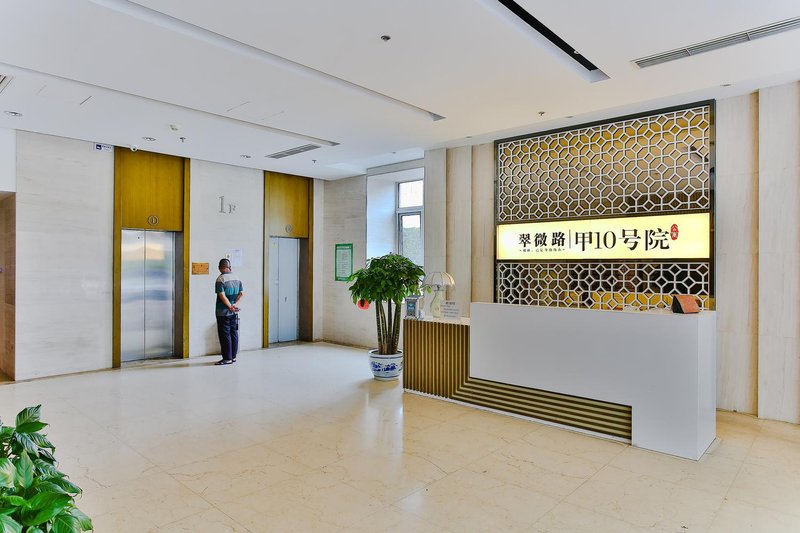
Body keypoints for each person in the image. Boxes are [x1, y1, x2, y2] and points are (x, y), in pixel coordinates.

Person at [214, 258, 244, 365]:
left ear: (220, 268)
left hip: (222, 312)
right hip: (234, 312)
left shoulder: (220, 279)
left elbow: (222, 296)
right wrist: (234, 305)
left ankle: (227, 358)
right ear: (229, 267)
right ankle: (233, 357)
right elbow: (241, 293)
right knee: (234, 333)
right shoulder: (237, 277)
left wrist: (229, 306)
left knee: (225, 335)